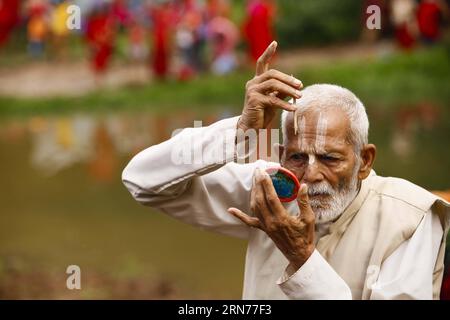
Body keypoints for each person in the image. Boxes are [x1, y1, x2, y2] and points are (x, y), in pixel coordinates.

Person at [122, 42, 450, 299]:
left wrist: (303, 258)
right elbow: (141, 180)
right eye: (296, 157)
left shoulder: (411, 217)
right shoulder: (271, 191)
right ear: (281, 157)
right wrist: (238, 133)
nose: (310, 174)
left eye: (329, 158)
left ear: (364, 161)